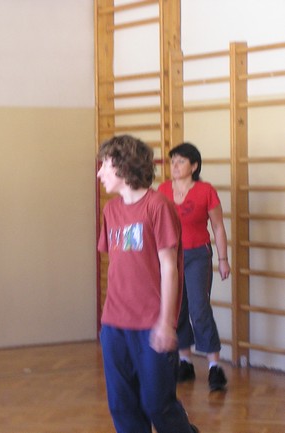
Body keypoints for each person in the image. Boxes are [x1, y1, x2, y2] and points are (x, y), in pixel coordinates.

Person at [97, 135, 199, 433]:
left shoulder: (158, 206)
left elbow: (169, 268)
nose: (99, 173)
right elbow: (119, 265)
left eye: (104, 165)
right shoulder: (110, 211)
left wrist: (166, 323)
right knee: (122, 405)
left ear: (123, 165)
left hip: (151, 324)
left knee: (157, 404)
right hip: (114, 324)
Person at [158, 142, 230, 392]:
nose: (175, 166)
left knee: (199, 309)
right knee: (177, 309)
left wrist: (223, 259)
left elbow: (218, 227)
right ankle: (185, 361)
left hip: (198, 254)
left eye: (181, 161)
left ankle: (214, 367)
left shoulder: (205, 191)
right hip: (170, 256)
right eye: (173, 161)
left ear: (194, 165)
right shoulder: (163, 190)